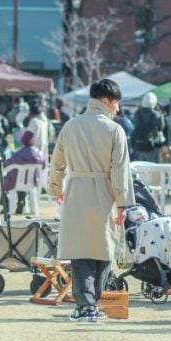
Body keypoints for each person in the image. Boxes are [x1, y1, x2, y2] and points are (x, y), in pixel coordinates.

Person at [47, 78, 135, 323]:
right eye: (116, 103)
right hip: (105, 193)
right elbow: (121, 170)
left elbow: (57, 162)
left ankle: (86, 305)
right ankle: (91, 303)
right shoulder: (115, 130)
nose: (117, 108)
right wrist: (123, 202)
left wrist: (56, 188)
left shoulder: (70, 126)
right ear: (105, 101)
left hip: (76, 190)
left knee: (81, 251)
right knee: (103, 249)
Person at [0, 129, 46, 215]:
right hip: (33, 182)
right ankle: (21, 200)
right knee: (23, 179)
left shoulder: (20, 153)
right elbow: (44, 165)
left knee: (5, 181)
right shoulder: (39, 153)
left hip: (15, 182)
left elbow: (6, 164)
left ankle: (7, 205)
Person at [131, 92, 166, 163]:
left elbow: (135, 124)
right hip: (152, 145)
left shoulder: (137, 113)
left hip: (138, 144)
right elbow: (161, 127)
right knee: (151, 167)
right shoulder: (157, 115)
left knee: (139, 167)